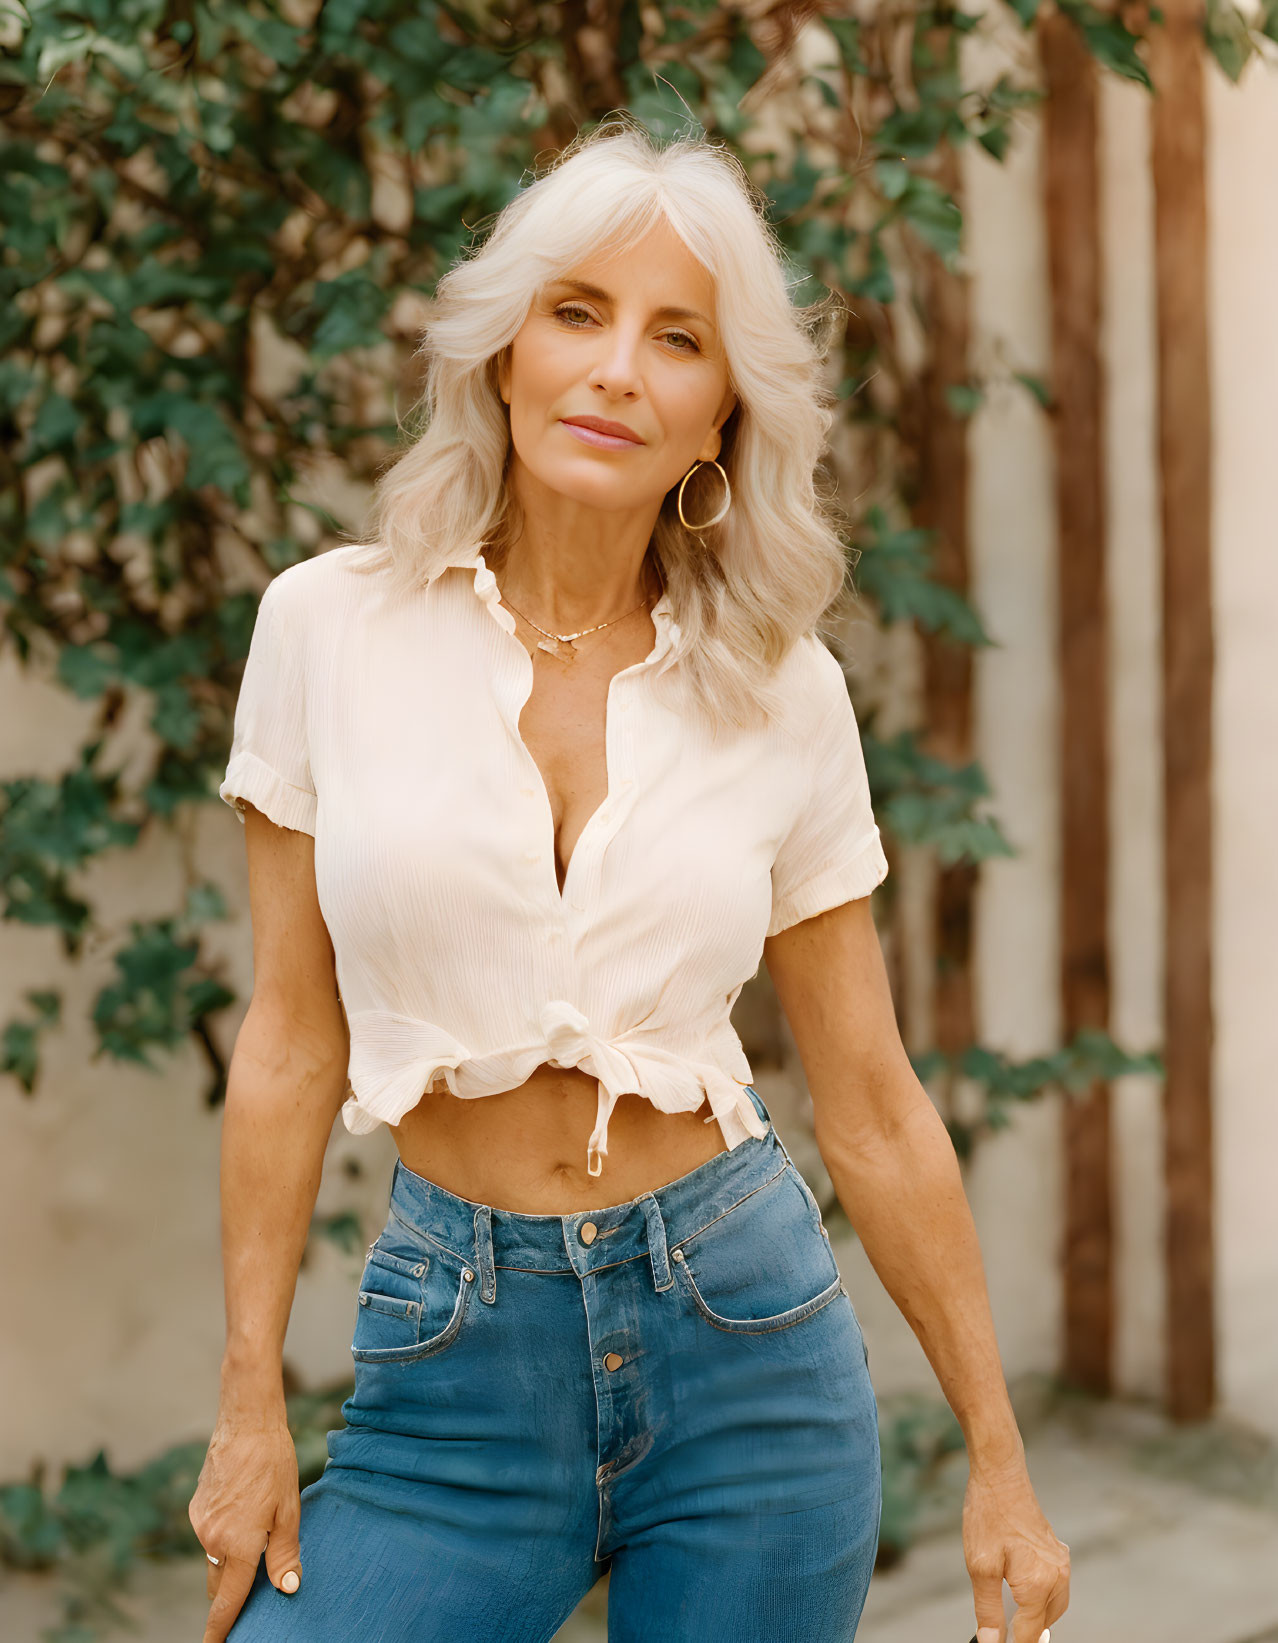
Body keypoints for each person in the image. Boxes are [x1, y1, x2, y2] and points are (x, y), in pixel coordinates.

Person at [190, 119, 1070, 1643]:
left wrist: (999, 1459)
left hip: (746, 1355)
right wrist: (247, 1399)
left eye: (677, 341)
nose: (613, 371)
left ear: (722, 416)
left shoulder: (779, 691)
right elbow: (286, 1036)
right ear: (503, 350)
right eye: (576, 313)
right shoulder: (326, 629)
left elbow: (865, 1097)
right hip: (450, 1369)